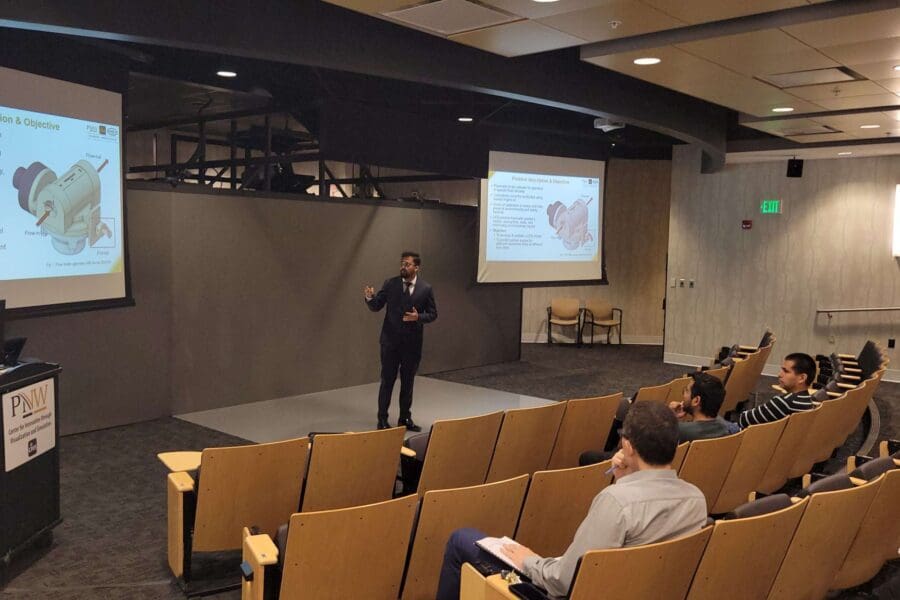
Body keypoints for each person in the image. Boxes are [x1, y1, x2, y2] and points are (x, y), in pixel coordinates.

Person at [435, 402, 707, 600]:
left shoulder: (617, 502)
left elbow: (562, 583)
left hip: (563, 591)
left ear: (628, 446)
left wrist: (529, 561)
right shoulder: (696, 499)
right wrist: (625, 478)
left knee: (462, 539)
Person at [364, 251, 437, 432]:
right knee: (387, 381)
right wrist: (369, 298)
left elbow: (433, 314)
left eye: (407, 264)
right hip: (390, 343)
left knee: (408, 382)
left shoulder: (425, 288)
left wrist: (418, 317)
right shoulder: (391, 284)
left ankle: (405, 418)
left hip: (412, 345)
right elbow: (376, 306)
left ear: (416, 267)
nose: (403, 267)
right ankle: (382, 419)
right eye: (402, 263)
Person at [737, 352, 816, 429]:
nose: (779, 375)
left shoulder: (785, 402)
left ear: (802, 378)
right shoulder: (808, 402)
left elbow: (743, 420)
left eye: (786, 371)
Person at [669, 371, 731, 441]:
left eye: (686, 391)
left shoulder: (680, 431)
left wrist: (669, 416)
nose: (683, 394)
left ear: (696, 401)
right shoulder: (725, 429)